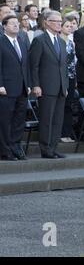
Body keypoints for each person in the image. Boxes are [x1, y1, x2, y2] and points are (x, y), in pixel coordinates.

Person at [29, 10, 68, 159]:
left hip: (60, 88)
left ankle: (53, 147)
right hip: (45, 87)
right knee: (47, 120)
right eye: (56, 21)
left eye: (60, 21)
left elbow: (63, 67)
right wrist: (36, 85)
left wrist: (65, 86)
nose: (59, 24)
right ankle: (45, 149)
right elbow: (34, 66)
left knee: (58, 120)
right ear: (47, 22)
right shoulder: (39, 41)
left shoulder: (62, 42)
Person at [0, 15, 30, 161]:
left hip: (22, 88)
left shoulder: (21, 41)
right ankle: (5, 151)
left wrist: (28, 84)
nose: (16, 25)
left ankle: (15, 147)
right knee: (5, 120)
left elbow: (25, 65)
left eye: (17, 23)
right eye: (12, 23)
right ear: (4, 26)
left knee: (19, 120)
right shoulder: (1, 41)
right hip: (6, 88)